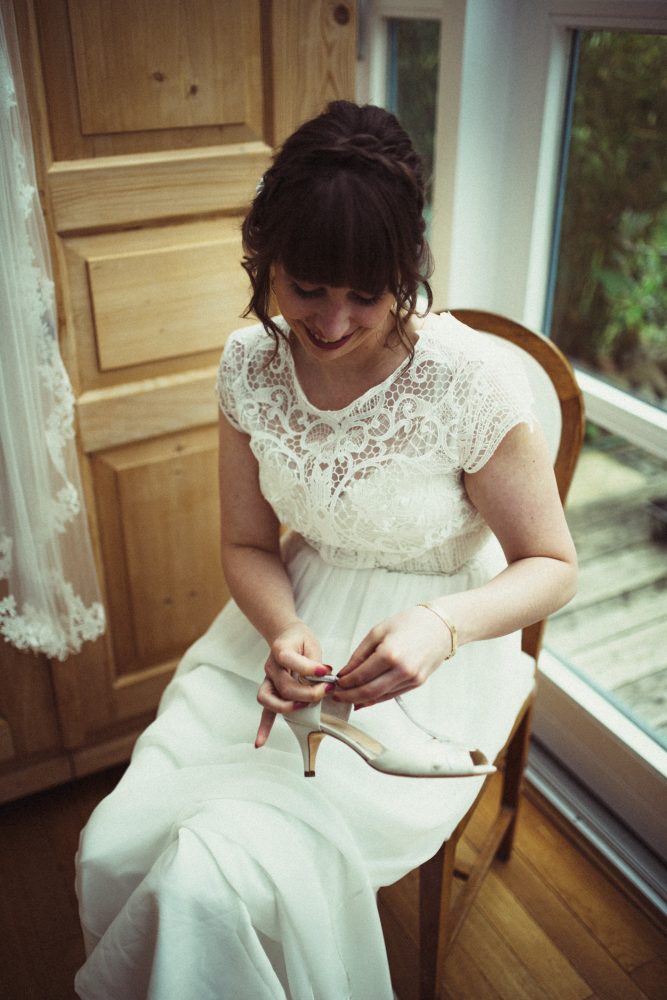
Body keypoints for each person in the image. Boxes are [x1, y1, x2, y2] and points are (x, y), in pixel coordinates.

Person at [74, 100, 577, 999]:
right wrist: (282, 630)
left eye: (367, 294)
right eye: (307, 288)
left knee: (212, 876)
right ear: (264, 257)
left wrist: (439, 625)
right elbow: (244, 541)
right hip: (286, 631)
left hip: (437, 657)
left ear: (404, 274)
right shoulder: (247, 367)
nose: (334, 323)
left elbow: (553, 566)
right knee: (119, 844)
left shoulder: (466, 384)